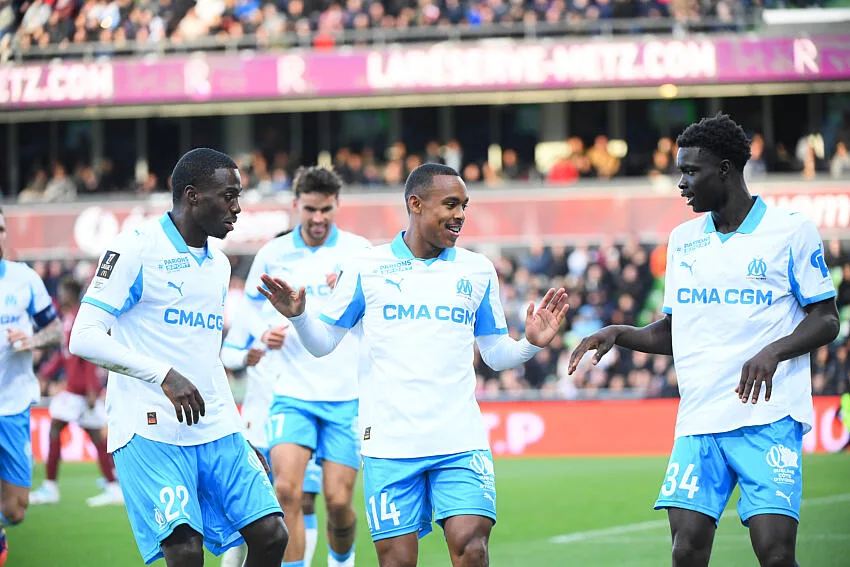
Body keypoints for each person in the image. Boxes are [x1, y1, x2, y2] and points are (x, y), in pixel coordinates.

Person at [258, 162, 568, 567]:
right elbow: (323, 344)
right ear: (416, 204)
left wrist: (528, 343)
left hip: (459, 440)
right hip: (390, 445)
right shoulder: (366, 267)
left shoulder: (476, 270)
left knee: (472, 547)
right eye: (450, 204)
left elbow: (495, 354)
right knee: (397, 561)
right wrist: (298, 316)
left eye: (465, 206)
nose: (460, 215)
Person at [568, 114, 840, 567]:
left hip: (767, 418)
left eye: (691, 172)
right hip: (699, 421)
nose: (682, 184)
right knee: (686, 550)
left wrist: (773, 351)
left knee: (775, 554)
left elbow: (826, 318)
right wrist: (620, 333)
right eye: (681, 172)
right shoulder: (683, 241)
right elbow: (675, 331)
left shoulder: (789, 230)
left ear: (726, 170)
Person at [68, 148, 288, 567]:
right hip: (148, 429)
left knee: (271, 534)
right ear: (192, 195)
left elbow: (207, 360)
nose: (237, 208)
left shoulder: (219, 266)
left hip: (215, 427)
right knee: (185, 552)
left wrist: (237, 430)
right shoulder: (135, 248)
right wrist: (163, 375)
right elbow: (83, 337)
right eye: (228, 196)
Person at [243, 166, 370, 567]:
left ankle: (341, 560)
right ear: (297, 205)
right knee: (286, 493)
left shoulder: (360, 253)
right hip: (292, 392)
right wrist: (265, 331)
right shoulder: (273, 253)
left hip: (345, 396)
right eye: (311, 209)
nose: (318, 218)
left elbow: (379, 316)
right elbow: (249, 305)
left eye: (326, 210)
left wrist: (348, 297)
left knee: (337, 501)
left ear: (337, 206)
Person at [219, 247, 324, 567]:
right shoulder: (252, 317)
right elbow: (227, 354)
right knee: (248, 506)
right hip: (258, 418)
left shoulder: (307, 311)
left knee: (303, 500)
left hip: (301, 415)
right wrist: (251, 352)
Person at [0, 205, 63, 564]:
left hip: (12, 406)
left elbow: (55, 331)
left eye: (1, 228)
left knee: (17, 509)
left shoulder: (23, 280)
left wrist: (32, 339)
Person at [29, 276, 123, 508]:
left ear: (71, 294)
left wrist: (92, 388)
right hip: (75, 390)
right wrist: (46, 374)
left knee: (58, 428)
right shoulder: (67, 318)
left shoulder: (80, 317)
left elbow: (88, 353)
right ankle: (112, 486)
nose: (60, 296)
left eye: (63, 292)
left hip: (80, 391)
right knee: (95, 437)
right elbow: (64, 354)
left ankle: (51, 487)